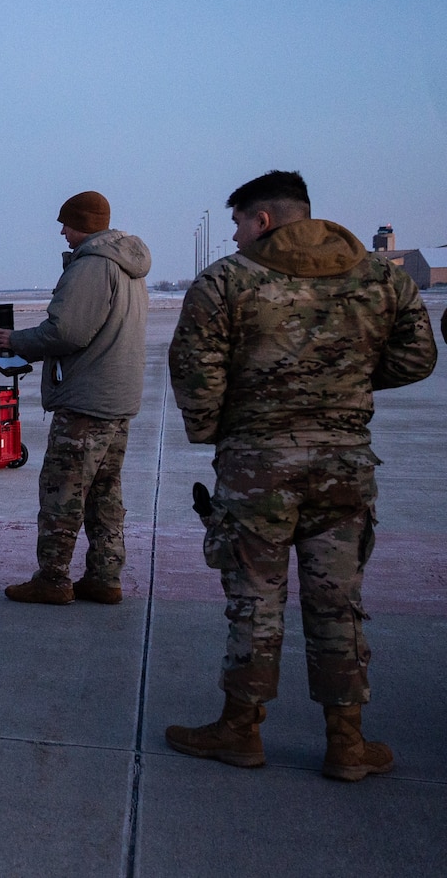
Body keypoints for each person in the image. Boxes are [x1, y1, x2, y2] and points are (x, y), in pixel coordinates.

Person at [165, 171, 435, 782]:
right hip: (344, 462)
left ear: (263, 220)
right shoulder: (382, 277)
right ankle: (346, 743)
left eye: (238, 224)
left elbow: (195, 372)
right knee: (338, 602)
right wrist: (343, 388)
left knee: (254, 601)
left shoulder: (227, 282)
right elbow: (417, 357)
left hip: (257, 467)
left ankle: (240, 729)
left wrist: (221, 431)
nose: (234, 237)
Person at [0, 192, 152, 606]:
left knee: (62, 492)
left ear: (84, 224)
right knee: (104, 492)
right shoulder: (128, 267)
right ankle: (104, 575)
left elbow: (67, 332)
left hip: (86, 401)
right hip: (117, 398)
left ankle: (53, 578)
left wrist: (17, 342)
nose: (62, 232)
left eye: (66, 224)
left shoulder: (92, 266)